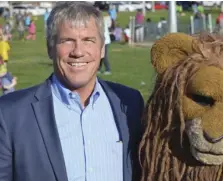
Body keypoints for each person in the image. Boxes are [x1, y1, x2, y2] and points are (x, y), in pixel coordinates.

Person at [0, 2, 144, 181]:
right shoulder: (10, 114)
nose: (78, 52)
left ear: (101, 49)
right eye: (67, 41)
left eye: (88, 40)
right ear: (50, 49)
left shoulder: (130, 103)